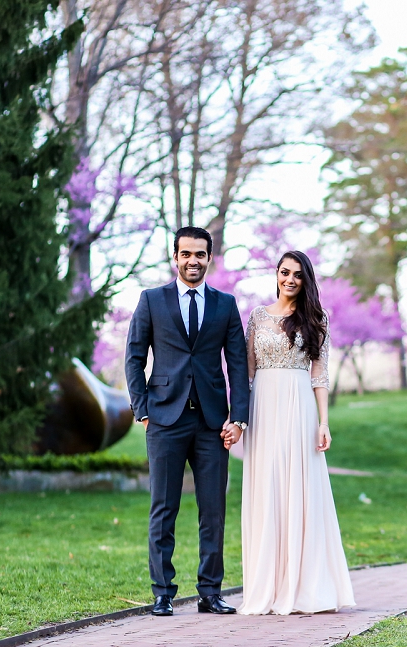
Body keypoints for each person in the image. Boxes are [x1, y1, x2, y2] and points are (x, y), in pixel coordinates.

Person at [125, 226, 249, 617]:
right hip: (164, 419)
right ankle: (162, 593)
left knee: (212, 511)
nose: (193, 260)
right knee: (164, 508)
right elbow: (133, 357)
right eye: (186, 254)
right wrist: (142, 408)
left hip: (213, 423)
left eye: (200, 254)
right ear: (175, 257)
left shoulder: (225, 305)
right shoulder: (151, 301)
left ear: (210, 258)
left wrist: (239, 418)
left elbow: (238, 364)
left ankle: (210, 592)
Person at [238, 250, 355, 615]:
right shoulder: (257, 316)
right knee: (267, 488)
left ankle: (304, 584)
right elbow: (247, 373)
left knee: (300, 488)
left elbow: (319, 375)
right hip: (263, 408)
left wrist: (323, 422)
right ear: (276, 274)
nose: (290, 279)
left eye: (298, 274)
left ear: (306, 280)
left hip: (299, 407)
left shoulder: (316, 318)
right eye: (285, 272)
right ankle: (267, 586)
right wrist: (239, 416)